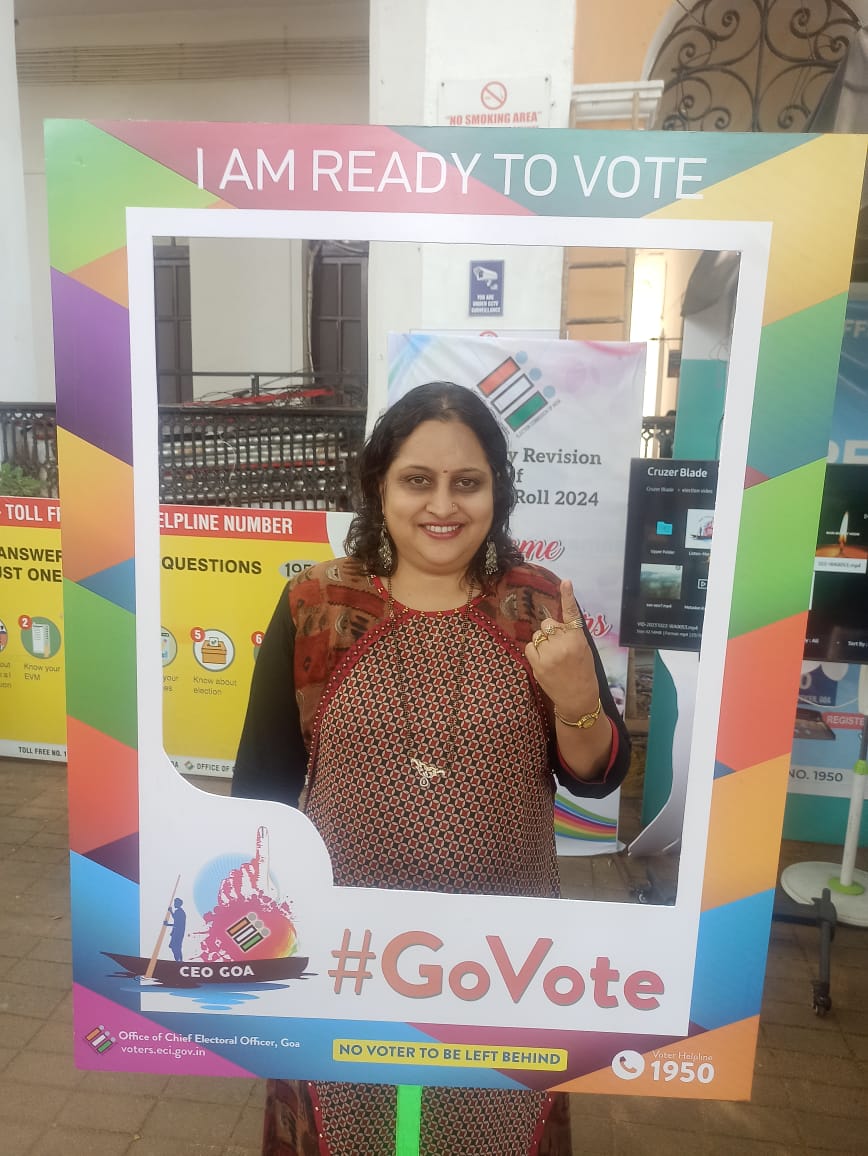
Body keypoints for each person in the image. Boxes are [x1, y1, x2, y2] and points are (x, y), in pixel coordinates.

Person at [233, 381, 630, 1156]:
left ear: (496, 492)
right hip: (345, 958)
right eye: (418, 480)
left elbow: (597, 775)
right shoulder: (317, 604)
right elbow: (262, 794)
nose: (442, 505)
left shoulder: (538, 609)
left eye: (467, 482)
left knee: (484, 1127)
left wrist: (578, 698)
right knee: (352, 1127)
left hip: (502, 964)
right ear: (379, 486)